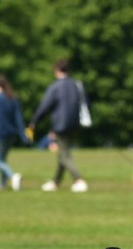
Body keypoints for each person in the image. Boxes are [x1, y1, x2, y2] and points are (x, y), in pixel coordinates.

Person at [29, 59, 88, 192]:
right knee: (63, 152)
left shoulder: (56, 86)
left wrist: (34, 121)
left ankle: (78, 179)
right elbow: (85, 103)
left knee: (64, 154)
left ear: (56, 70)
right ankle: (56, 182)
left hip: (61, 124)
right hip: (75, 124)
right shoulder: (77, 84)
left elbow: (45, 106)